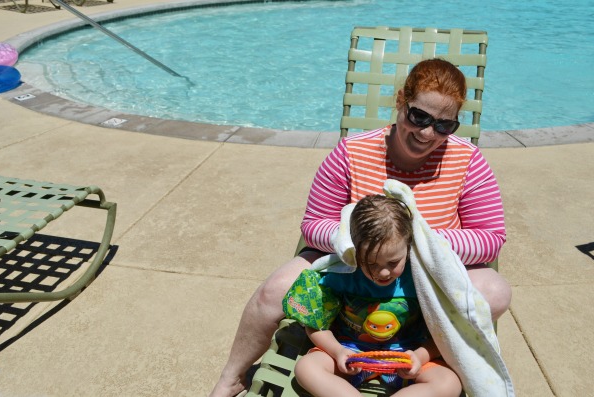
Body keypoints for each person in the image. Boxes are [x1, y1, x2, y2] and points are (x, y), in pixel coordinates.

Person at [209, 58, 511, 397]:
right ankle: (233, 377)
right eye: (419, 117)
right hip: (356, 268)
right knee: (273, 291)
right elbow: (313, 226)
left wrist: (416, 244)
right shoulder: (352, 152)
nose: (427, 133)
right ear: (401, 102)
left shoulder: (469, 160)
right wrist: (360, 243)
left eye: (443, 125)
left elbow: (490, 239)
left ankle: (429, 349)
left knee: (495, 291)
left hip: (431, 280)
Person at [291, 194, 462, 397]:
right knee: (306, 368)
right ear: (354, 251)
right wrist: (337, 352)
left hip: (407, 356)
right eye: (371, 263)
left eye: (393, 263)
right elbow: (315, 325)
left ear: (408, 247)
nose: (383, 273)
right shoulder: (340, 276)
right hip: (350, 353)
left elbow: (445, 333)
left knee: (448, 383)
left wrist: (420, 357)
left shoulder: (420, 280)